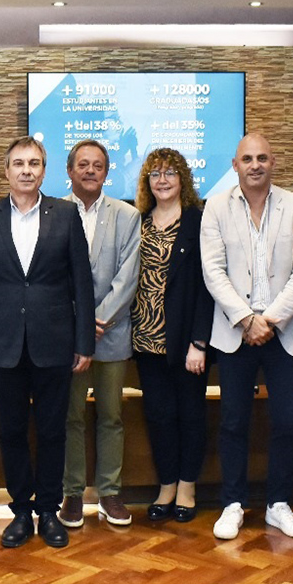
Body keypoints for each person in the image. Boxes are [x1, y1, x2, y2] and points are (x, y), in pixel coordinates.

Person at [0, 136, 95, 549]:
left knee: (54, 430)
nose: (26, 170)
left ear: (44, 170)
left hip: (54, 342)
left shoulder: (66, 214)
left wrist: (85, 342)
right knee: (12, 431)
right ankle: (21, 510)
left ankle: (49, 511)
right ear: (6, 171)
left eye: (34, 163)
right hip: (2, 344)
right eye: (18, 163)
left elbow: (82, 285)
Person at [200, 133, 293, 541]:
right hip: (235, 334)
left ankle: (278, 504)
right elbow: (212, 270)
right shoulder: (215, 207)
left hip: (284, 334)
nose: (255, 165)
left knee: (286, 421)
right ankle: (233, 504)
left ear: (273, 162)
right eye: (247, 158)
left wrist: (271, 319)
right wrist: (247, 319)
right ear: (235, 165)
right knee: (233, 422)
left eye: (262, 157)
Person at [57, 140, 139, 529]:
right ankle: (72, 495)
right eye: (83, 165)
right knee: (69, 417)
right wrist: (76, 324)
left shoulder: (127, 216)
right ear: (70, 170)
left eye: (98, 165)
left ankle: (110, 492)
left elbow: (128, 277)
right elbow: (49, 276)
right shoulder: (50, 211)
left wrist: (98, 319)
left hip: (112, 334)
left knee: (111, 416)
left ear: (107, 172)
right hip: (67, 338)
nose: (90, 171)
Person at [129, 148, 212, 525]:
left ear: (183, 180)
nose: (162, 180)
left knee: (190, 415)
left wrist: (199, 341)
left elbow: (208, 286)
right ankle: (166, 485)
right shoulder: (139, 221)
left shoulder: (199, 220)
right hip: (146, 340)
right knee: (159, 415)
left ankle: (187, 486)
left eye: (170, 173)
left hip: (185, 341)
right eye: (155, 174)